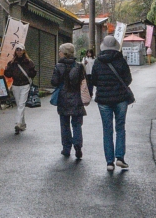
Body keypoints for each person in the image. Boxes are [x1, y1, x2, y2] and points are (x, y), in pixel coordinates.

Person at [90, 35, 132, 172]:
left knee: (107, 130)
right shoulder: (121, 61)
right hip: (120, 99)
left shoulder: (97, 62)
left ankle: (109, 162)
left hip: (103, 100)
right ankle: (120, 157)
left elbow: (94, 80)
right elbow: (128, 79)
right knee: (120, 127)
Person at [50, 43, 86, 159]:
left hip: (63, 98)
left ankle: (66, 148)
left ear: (64, 53)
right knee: (76, 124)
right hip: (76, 98)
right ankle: (78, 145)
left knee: (64, 124)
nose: (59, 53)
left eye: (60, 51)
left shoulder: (58, 66)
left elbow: (54, 82)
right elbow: (83, 81)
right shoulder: (79, 66)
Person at [3, 44, 37, 134]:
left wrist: (32, 72)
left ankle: (18, 123)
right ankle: (23, 124)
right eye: (17, 50)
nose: (19, 51)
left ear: (24, 51)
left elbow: (33, 73)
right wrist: (6, 70)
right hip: (15, 85)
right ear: (15, 51)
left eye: (20, 50)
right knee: (19, 105)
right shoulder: (12, 63)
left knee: (21, 104)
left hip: (25, 85)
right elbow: (8, 74)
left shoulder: (29, 62)